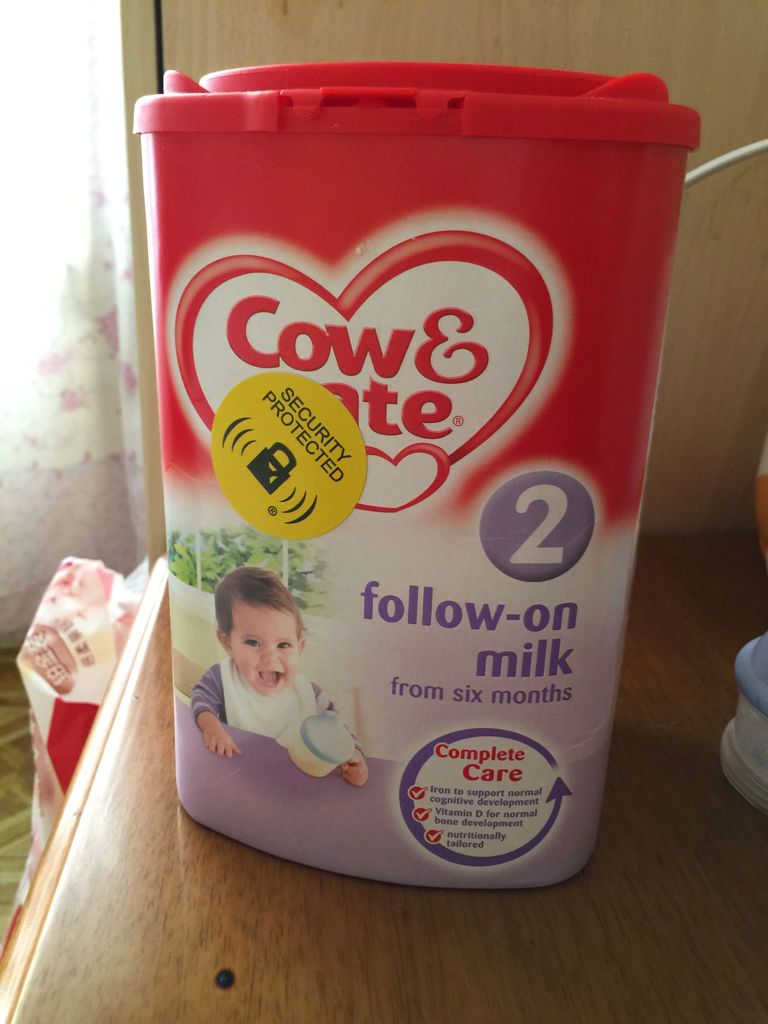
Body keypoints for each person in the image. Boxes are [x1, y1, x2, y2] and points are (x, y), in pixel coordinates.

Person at [191, 565, 368, 786]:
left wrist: (355, 760)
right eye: (253, 642)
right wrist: (212, 727)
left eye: (283, 645)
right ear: (227, 642)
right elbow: (201, 698)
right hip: (241, 777)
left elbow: (338, 729)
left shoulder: (309, 694)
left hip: (298, 786)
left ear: (299, 647)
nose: (270, 657)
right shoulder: (222, 677)